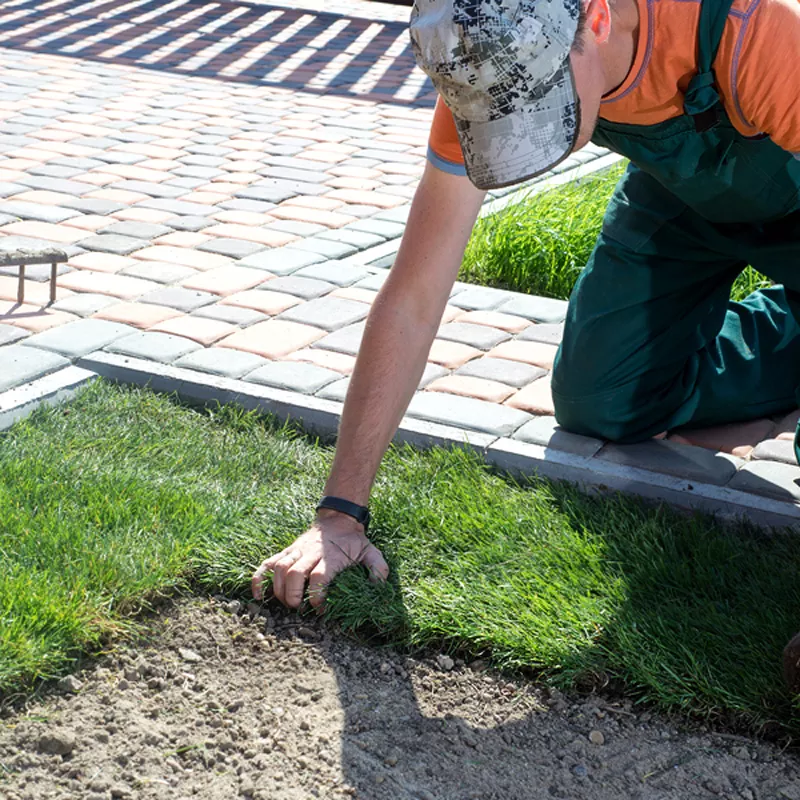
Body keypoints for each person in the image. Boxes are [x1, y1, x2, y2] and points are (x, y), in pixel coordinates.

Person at [252, 0, 800, 610]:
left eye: (541, 105)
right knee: (603, 402)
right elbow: (413, 295)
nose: (521, 130)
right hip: (682, 196)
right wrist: (340, 514)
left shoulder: (759, 34)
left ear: (595, 20)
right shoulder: (486, 65)